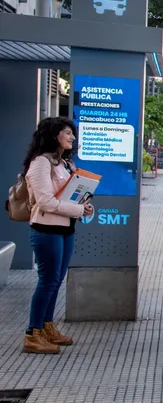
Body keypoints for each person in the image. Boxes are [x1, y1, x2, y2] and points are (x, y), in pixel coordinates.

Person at [21, 117, 93, 355]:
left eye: (72, 133)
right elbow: (45, 201)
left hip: (65, 229)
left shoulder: (64, 163)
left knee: (56, 280)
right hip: (46, 231)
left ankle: (47, 326)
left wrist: (85, 206)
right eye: (67, 133)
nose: (72, 137)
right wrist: (77, 209)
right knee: (48, 281)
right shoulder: (41, 163)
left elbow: (71, 196)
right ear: (54, 135)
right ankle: (33, 333)